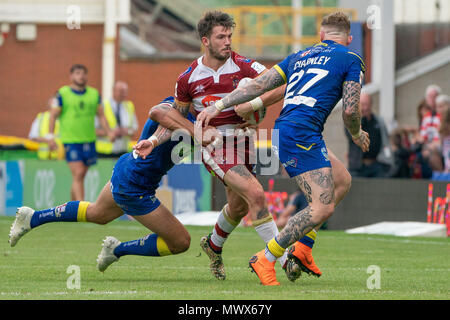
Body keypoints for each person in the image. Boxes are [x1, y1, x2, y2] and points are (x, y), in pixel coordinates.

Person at [135, 11, 325, 282]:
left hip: (245, 142)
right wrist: (153, 140)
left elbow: (285, 84)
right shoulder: (188, 78)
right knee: (256, 195)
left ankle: (213, 245)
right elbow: (175, 118)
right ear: (205, 40)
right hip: (215, 146)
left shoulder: (244, 66)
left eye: (229, 36)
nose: (227, 41)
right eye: (221, 37)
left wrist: (254, 105)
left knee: (237, 207)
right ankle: (281, 261)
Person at [197, 12, 369, 285]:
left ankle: (303, 248)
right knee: (322, 208)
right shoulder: (351, 59)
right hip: (300, 134)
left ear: (321, 36)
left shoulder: (298, 56)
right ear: (348, 39)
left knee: (341, 180)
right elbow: (350, 109)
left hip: (288, 130)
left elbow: (256, 86)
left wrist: (218, 105)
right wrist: (357, 133)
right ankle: (266, 257)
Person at [9, 97, 216, 271]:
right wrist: (197, 132)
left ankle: (33, 217)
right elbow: (157, 112)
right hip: (135, 184)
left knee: (97, 214)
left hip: (130, 172)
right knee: (181, 242)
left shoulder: (202, 120)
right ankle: (118, 250)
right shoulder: (173, 107)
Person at [47, 64, 115, 201]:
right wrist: (50, 137)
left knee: (81, 174)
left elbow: (101, 115)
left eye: (83, 73)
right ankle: (80, 207)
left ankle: (71, 207)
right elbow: (53, 115)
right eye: (77, 73)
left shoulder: (94, 94)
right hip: (70, 140)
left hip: (89, 139)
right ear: (71, 76)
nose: (81, 76)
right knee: (78, 173)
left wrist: (109, 131)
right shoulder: (62, 93)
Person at [345, 91, 391, 177]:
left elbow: (385, 140)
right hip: (357, 167)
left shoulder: (378, 121)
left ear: (371, 105)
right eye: (362, 104)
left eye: (366, 104)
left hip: (376, 165)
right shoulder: (352, 121)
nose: (364, 108)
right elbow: (350, 134)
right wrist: (360, 118)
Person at [96, 81, 139, 158]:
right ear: (113, 90)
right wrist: (109, 133)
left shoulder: (129, 106)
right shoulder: (102, 106)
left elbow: (135, 128)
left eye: (125, 91)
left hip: (123, 151)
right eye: (120, 91)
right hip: (103, 153)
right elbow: (93, 130)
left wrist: (126, 131)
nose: (123, 94)